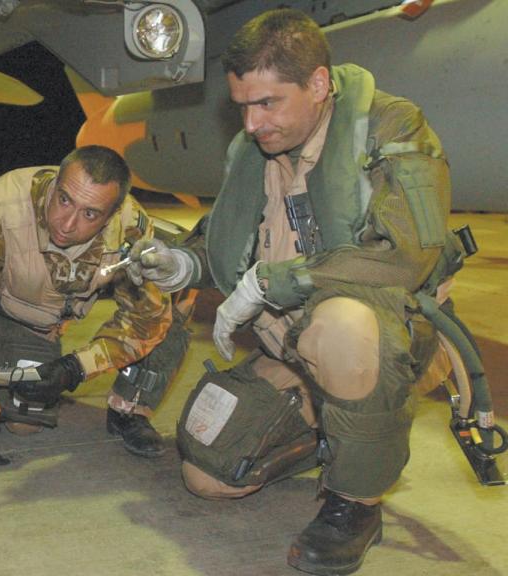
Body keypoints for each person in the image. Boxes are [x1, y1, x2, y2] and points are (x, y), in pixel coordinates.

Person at [156, 9, 461, 575]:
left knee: (343, 324)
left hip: (384, 335)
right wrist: (183, 264)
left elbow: (404, 255)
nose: (250, 123)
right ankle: (334, 440)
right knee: (208, 476)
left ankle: (357, 505)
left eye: (267, 103)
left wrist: (276, 281)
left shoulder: (391, 129)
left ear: (318, 84)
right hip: (294, 348)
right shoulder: (257, 151)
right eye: (242, 105)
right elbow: (232, 242)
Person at [0, 145, 196, 476]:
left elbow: (145, 321)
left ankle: (129, 409)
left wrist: (74, 369)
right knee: (24, 426)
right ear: (56, 184)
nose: (67, 224)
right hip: (14, 315)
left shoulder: (131, 227)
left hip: (59, 321)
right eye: (64, 199)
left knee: (169, 313)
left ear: (111, 215)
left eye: (90, 214)